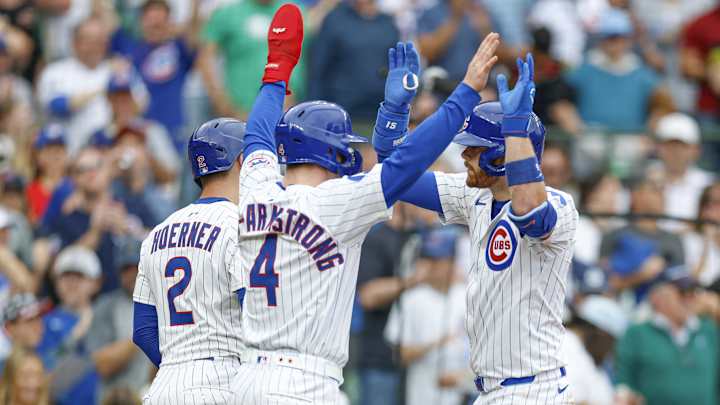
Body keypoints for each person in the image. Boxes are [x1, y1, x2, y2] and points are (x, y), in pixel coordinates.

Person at [230, 5, 499, 404]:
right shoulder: (338, 200)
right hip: (304, 381)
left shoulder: (257, 189)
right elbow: (407, 162)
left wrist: (277, 68)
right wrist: (465, 94)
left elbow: (256, 134)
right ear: (331, 152)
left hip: (246, 378)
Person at [373, 53, 578, 403]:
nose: (464, 156)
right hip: (491, 389)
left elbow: (529, 213)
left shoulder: (560, 204)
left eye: (474, 149)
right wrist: (394, 113)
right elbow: (394, 175)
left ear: (501, 155)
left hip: (534, 388)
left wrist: (515, 130)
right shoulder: (474, 196)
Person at [132, 117, 247, 404]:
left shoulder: (156, 233)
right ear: (242, 161)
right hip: (222, 381)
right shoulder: (240, 225)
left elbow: (143, 331)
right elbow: (254, 310)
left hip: (164, 385)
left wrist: (180, 366)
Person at [384, 227, 469, 405]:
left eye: (438, 260)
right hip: (421, 393)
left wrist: (462, 378)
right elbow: (400, 354)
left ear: (452, 262)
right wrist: (437, 343)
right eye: (428, 259)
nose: (431, 266)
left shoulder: (467, 296)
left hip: (465, 394)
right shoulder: (410, 298)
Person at [356, 203, 428, 405]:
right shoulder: (376, 238)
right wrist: (412, 281)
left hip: (419, 363)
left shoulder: (424, 236)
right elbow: (368, 296)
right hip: (381, 362)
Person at [615, 274, 719, 405]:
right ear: (658, 296)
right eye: (682, 293)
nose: (690, 298)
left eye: (694, 293)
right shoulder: (637, 333)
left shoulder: (708, 330)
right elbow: (623, 382)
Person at [199, 0, 307, 118]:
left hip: (285, 112)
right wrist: (221, 101)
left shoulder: (296, 12)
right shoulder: (228, 13)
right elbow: (206, 57)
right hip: (240, 113)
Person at [309, 0, 399, 122]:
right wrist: (314, 111)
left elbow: (394, 66)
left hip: (379, 112)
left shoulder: (388, 23)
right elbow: (318, 68)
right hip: (340, 112)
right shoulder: (336, 20)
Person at [36, 17, 114, 155]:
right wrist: (103, 88)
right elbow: (56, 106)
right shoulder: (55, 71)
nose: (95, 46)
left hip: (110, 149)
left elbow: (140, 105)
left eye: (100, 40)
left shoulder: (117, 70)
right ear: (75, 43)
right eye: (89, 40)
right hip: (68, 152)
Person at [86, 241, 150, 397]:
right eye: (126, 269)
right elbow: (102, 365)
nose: (133, 274)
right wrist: (143, 332)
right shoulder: (106, 307)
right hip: (115, 398)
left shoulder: (163, 304)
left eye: (137, 267)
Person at [646, 113, 714, 225]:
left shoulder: (709, 185)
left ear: (696, 150)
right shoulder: (643, 182)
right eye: (669, 145)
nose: (675, 151)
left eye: (682, 146)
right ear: (658, 148)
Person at [564, 295, 628, 405]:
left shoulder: (587, 355)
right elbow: (567, 401)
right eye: (611, 341)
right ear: (601, 334)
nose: (611, 350)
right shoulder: (567, 345)